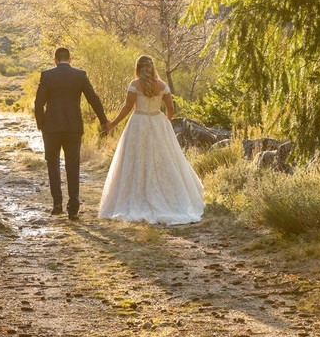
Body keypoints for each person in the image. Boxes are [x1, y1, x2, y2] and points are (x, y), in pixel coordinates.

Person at [99, 55, 204, 225]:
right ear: (153, 67)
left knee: (136, 158)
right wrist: (166, 123)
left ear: (138, 68)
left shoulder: (135, 85)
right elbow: (170, 107)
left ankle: (137, 195)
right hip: (157, 122)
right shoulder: (162, 86)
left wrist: (113, 124)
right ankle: (168, 197)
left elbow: (127, 107)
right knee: (161, 159)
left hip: (138, 123)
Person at [33, 46, 110, 220]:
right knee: (73, 166)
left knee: (52, 164)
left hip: (51, 128)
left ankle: (57, 204)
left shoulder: (47, 75)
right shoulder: (80, 75)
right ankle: (73, 208)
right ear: (70, 59)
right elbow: (93, 99)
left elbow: (38, 104)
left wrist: (41, 124)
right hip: (73, 127)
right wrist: (103, 120)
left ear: (55, 60)